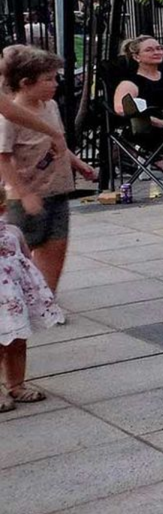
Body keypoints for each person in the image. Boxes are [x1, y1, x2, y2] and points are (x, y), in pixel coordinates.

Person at [0, 47, 94, 296]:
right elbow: (3, 159)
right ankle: (17, 298)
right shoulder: (9, 116)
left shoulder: (50, 106)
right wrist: (23, 192)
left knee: (56, 245)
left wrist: (78, 164)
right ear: (25, 83)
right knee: (23, 250)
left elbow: (58, 143)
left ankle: (47, 299)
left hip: (57, 188)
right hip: (27, 195)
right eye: (49, 78)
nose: (55, 84)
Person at [0, 202, 61, 413]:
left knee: (18, 342)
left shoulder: (13, 232)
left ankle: (16, 384)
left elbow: (26, 259)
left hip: (13, 302)